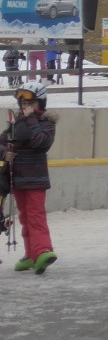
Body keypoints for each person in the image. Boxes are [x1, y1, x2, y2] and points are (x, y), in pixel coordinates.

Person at [1, 78, 57, 274]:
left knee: (36, 216)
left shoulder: (47, 124)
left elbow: (41, 142)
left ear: (40, 104)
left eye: (31, 103)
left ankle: (43, 250)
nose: (26, 107)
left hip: (35, 180)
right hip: (17, 180)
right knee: (24, 217)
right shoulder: (16, 124)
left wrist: (31, 119)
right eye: (24, 104)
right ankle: (30, 254)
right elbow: (2, 141)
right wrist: (4, 153)